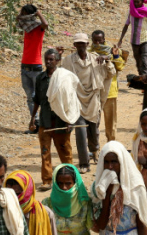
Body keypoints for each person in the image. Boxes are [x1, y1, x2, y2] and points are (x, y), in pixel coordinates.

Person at [59, 33, 116, 174]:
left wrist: (108, 61)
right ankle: (84, 163)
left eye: (83, 43)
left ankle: (95, 150)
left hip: (93, 100)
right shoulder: (68, 61)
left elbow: (111, 73)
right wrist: (58, 55)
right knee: (80, 131)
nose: (80, 46)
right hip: (77, 101)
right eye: (78, 43)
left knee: (93, 131)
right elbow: (59, 74)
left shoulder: (96, 59)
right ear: (75, 45)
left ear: (87, 44)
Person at [29, 49, 76, 190]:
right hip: (45, 120)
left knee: (65, 151)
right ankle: (47, 180)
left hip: (61, 121)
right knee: (45, 151)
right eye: (46, 59)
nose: (48, 62)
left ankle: (71, 179)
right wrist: (32, 119)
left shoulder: (64, 78)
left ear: (57, 61)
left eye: (51, 59)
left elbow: (70, 100)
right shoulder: (40, 78)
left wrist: (69, 120)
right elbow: (37, 99)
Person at [92, 142, 147, 235]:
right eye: (106, 162)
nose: (110, 167)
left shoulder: (135, 186)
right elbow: (101, 225)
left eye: (114, 162)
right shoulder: (98, 188)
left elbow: (142, 223)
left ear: (122, 162)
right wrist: (107, 193)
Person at [42, 165, 93, 235]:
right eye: (59, 183)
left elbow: (94, 227)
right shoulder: (47, 204)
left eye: (68, 183)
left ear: (75, 183)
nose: (64, 187)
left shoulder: (84, 203)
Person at [4, 170, 58, 235]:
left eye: (18, 194)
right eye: (10, 184)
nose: (13, 188)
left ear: (28, 190)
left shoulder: (45, 213)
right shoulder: (1, 213)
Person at [89, 30, 125, 142]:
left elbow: (120, 66)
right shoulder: (89, 52)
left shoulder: (112, 51)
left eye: (100, 40)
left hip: (110, 91)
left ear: (104, 40)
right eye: (95, 41)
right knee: (93, 121)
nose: (98, 43)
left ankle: (111, 143)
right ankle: (94, 147)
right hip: (95, 91)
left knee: (111, 121)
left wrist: (115, 56)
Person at [17, 4, 49, 132]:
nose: (23, 15)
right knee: (30, 97)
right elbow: (17, 17)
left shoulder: (37, 27)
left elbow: (45, 24)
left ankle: (43, 123)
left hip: (36, 66)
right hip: (24, 66)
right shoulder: (26, 27)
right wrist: (26, 15)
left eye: (26, 13)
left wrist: (38, 13)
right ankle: (35, 124)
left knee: (39, 97)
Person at [117, 0, 147, 76]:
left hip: (145, 40)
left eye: (138, 2)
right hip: (134, 41)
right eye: (135, 2)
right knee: (138, 61)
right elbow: (126, 25)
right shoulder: (131, 12)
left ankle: (145, 79)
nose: (136, 4)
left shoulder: (146, 13)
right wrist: (120, 39)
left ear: (142, 2)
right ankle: (141, 77)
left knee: (144, 60)